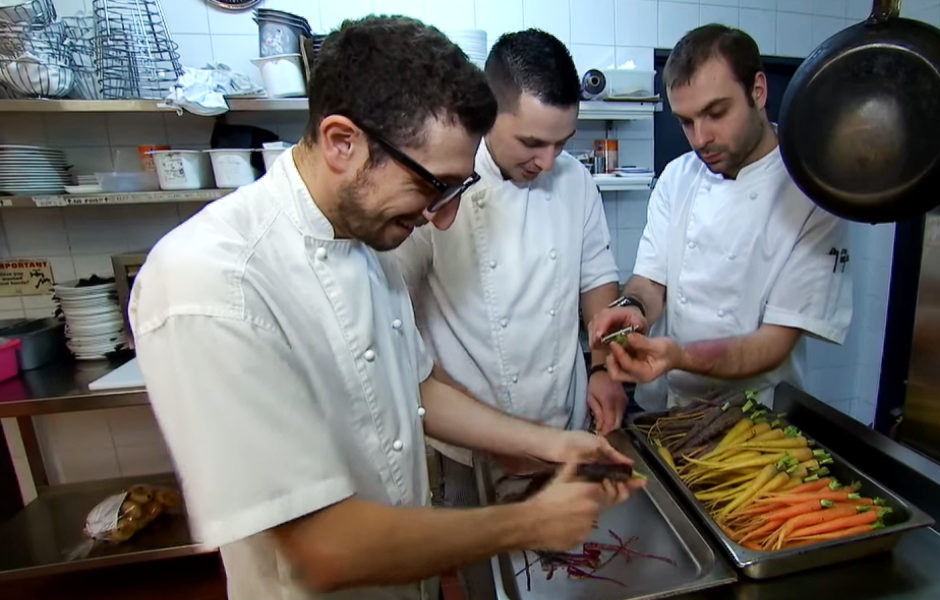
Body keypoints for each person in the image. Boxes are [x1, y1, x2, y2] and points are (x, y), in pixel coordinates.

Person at [129, 17, 640, 600]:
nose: (442, 217)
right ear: (343, 143)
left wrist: (551, 443)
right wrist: (529, 521)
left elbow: (416, 387)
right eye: (433, 186)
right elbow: (323, 549)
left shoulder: (365, 236)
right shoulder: (213, 284)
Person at [390, 30, 627, 506]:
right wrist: (500, 436)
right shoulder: (441, 182)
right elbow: (398, 327)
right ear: (487, 111)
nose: (547, 161)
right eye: (532, 142)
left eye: (562, 143)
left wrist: (603, 367)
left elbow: (597, 278)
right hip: (472, 448)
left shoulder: (575, 180)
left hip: (566, 426)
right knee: (487, 574)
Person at [588, 25, 853, 410]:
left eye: (715, 113)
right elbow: (650, 282)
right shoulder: (677, 177)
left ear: (758, 91)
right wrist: (633, 307)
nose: (700, 138)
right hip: (667, 409)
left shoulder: (811, 192)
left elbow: (772, 345)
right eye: (686, 120)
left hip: (756, 416)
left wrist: (679, 356)